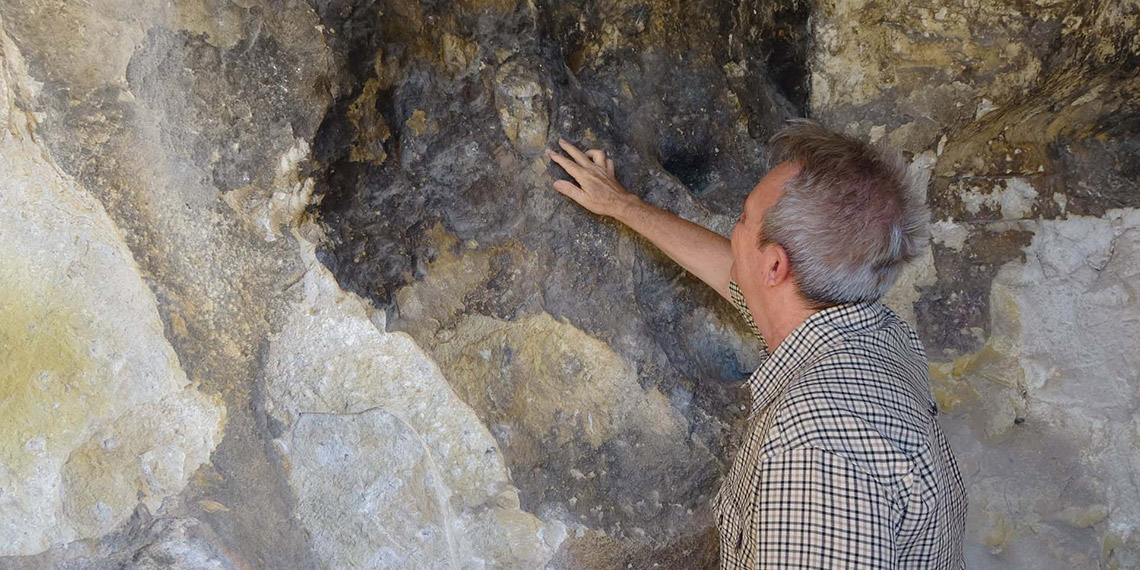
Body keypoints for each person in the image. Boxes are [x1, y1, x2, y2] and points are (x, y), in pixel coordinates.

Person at [546, 120, 967, 569]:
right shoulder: (874, 331)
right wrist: (623, 206)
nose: (736, 231)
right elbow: (735, 273)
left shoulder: (814, 453)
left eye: (744, 218)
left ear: (775, 268)